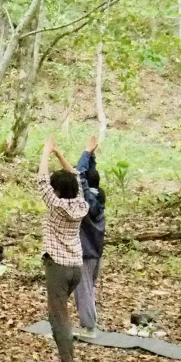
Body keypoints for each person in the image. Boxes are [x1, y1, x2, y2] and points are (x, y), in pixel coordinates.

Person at [37, 137, 90, 362]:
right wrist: (58, 154)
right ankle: (66, 357)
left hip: (58, 266)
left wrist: (46, 152)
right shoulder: (81, 205)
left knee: (58, 316)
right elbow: (76, 177)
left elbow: (41, 180)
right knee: (60, 312)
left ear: (57, 190)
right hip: (76, 267)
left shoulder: (56, 206)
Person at [75, 134, 106, 336]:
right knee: (89, 287)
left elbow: (79, 177)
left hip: (86, 252)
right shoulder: (99, 197)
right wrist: (92, 157)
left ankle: (89, 327)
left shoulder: (88, 202)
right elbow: (89, 177)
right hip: (95, 251)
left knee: (83, 290)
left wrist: (86, 152)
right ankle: (90, 322)